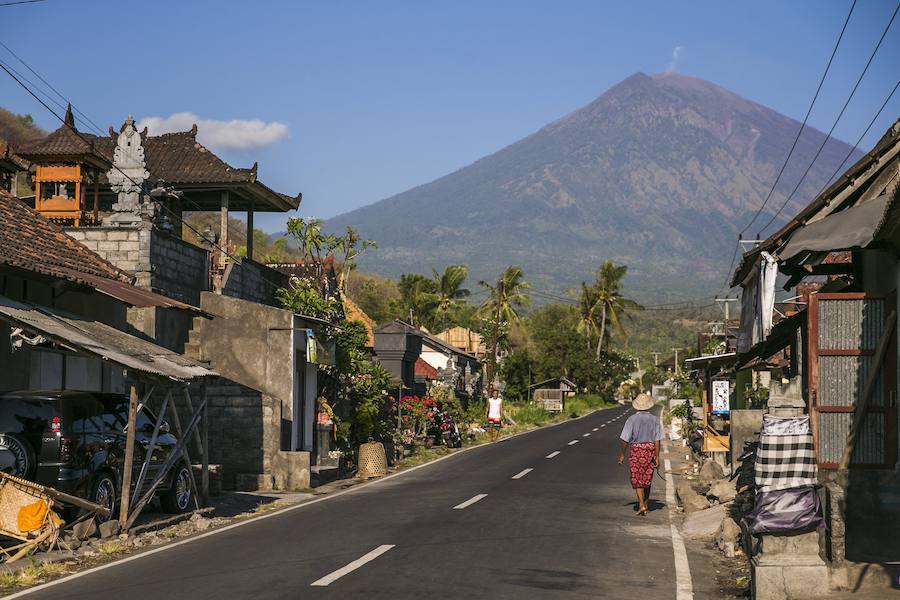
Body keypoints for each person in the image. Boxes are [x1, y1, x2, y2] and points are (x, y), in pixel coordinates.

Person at [617, 393, 663, 516]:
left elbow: (625, 439)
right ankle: (645, 504)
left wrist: (622, 454)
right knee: (647, 478)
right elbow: (657, 439)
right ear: (649, 406)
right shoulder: (654, 420)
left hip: (637, 450)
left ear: (637, 406)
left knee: (637, 478)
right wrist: (657, 456)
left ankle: (642, 505)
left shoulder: (631, 419)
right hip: (650, 450)